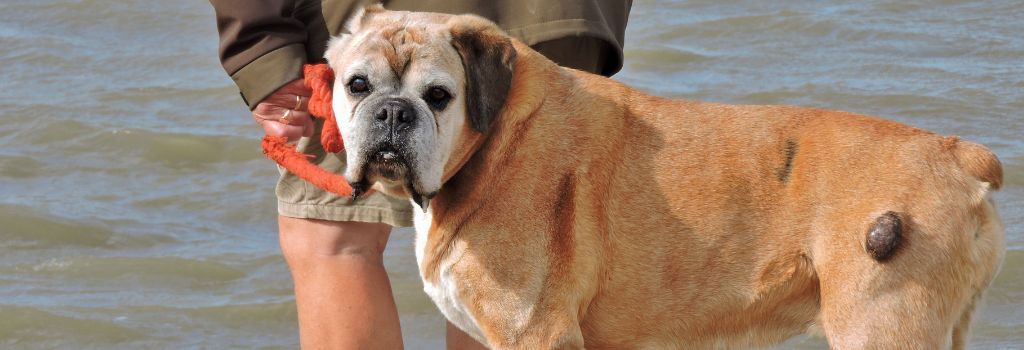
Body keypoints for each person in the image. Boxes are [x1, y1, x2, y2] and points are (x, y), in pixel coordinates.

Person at [209, 1, 631, 348]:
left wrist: (259, 44)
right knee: (504, 265)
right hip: (560, 15)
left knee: (334, 238)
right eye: (357, 88)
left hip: (363, 14)